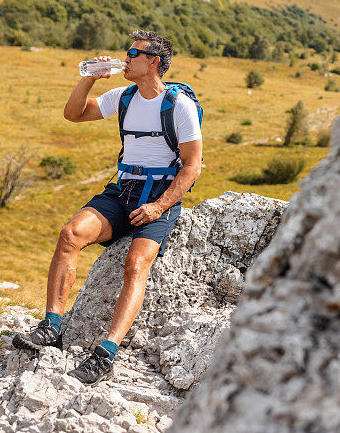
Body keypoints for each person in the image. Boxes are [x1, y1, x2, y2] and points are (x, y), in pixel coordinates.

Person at [11, 30, 202, 385]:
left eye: (133, 53)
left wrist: (159, 207)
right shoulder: (123, 97)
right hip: (123, 190)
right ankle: (52, 325)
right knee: (70, 235)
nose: (125, 58)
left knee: (136, 264)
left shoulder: (180, 106)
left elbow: (192, 166)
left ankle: (106, 353)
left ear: (153, 62)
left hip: (159, 196)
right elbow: (74, 114)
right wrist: (88, 79)